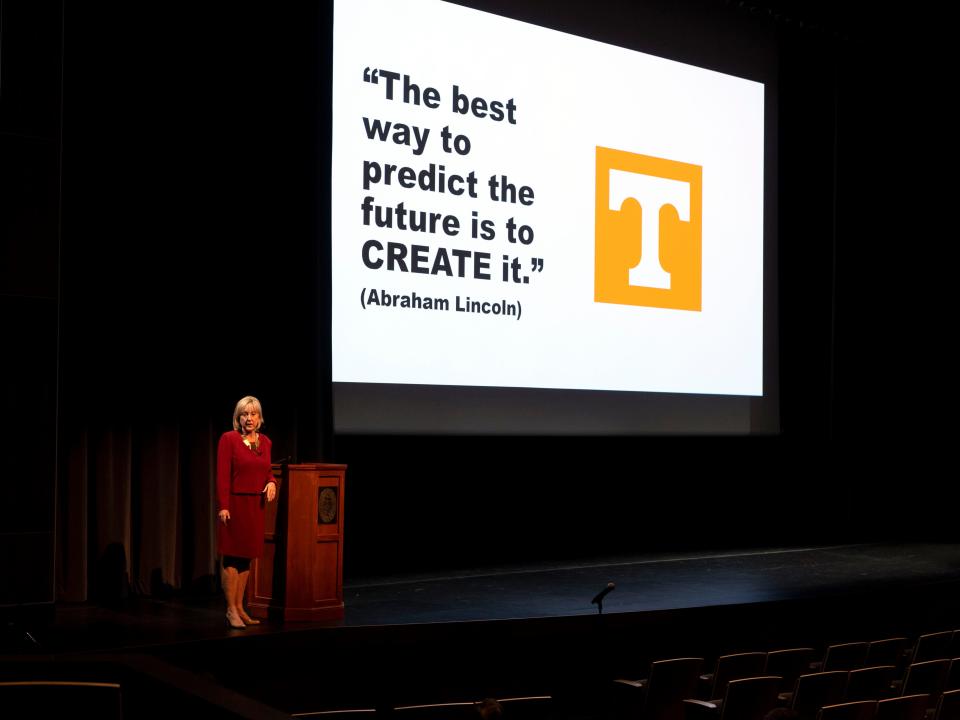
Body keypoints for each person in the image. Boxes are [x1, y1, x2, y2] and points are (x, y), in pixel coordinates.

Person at [217, 395, 278, 628]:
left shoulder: (266, 442)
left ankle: (241, 607)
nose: (249, 418)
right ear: (238, 418)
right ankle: (230, 609)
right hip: (235, 505)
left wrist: (272, 481)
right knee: (232, 558)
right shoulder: (229, 439)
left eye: (253, 414)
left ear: (259, 418)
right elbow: (223, 475)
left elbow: (266, 471)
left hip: (255, 507)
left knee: (247, 559)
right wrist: (223, 505)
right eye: (244, 414)